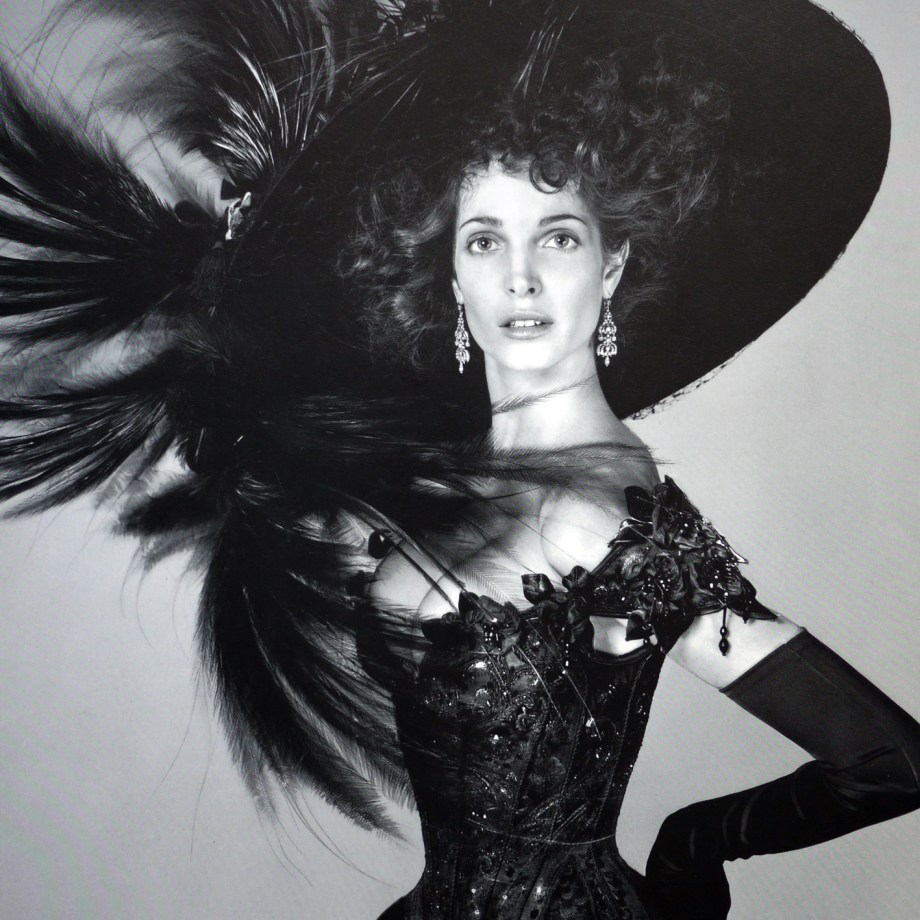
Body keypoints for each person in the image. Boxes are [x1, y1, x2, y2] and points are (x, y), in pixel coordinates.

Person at [0, 1, 917, 918]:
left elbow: (890, 762)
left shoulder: (616, 523)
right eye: (485, 240)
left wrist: (696, 842)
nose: (520, 276)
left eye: (559, 236)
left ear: (612, 266)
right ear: (452, 277)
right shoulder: (444, 478)